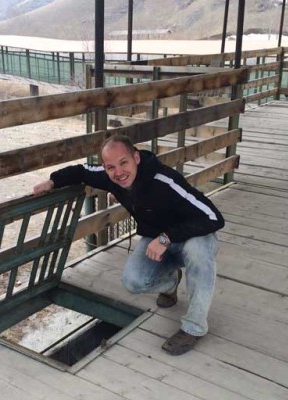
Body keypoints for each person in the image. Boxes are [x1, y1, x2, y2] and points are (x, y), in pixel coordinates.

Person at [33, 134, 223, 355]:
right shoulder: (111, 177)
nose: (119, 172)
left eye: (123, 162)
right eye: (110, 166)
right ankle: (171, 282)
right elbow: (82, 171)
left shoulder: (164, 180)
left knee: (198, 255)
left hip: (194, 237)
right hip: (158, 241)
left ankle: (194, 327)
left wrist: (165, 238)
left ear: (136, 158)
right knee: (133, 281)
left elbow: (213, 217)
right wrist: (52, 181)